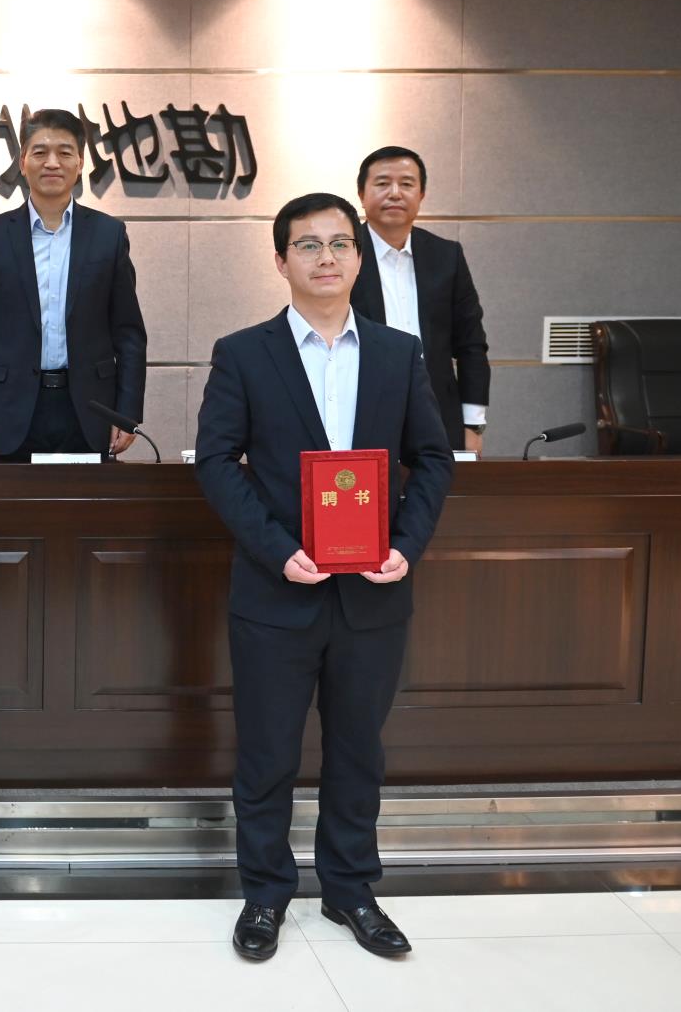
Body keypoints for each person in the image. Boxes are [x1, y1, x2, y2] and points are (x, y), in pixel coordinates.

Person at [194, 192, 453, 964]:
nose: (327, 257)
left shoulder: (398, 352)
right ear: (281, 261)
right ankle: (265, 893)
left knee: (357, 750)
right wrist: (277, 549)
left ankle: (350, 889)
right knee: (267, 751)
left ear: (360, 257)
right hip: (277, 591)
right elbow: (217, 462)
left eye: (340, 243)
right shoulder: (243, 352)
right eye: (308, 245)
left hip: (374, 591)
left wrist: (406, 543)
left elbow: (432, 458)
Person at [0, 109, 148, 461]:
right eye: (40, 152)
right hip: (8, 411)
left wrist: (127, 413)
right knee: (7, 498)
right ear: (22, 161)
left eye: (64, 152)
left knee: (89, 497)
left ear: (80, 162)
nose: (52, 163)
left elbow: (129, 333)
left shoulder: (109, 235)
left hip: (90, 410)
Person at [349, 146, 490, 452]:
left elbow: (471, 345)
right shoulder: (342, 254)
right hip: (360, 414)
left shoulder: (447, 256)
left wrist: (473, 424)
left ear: (422, 194)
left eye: (407, 184)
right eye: (382, 183)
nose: (395, 193)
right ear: (361, 194)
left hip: (437, 414)